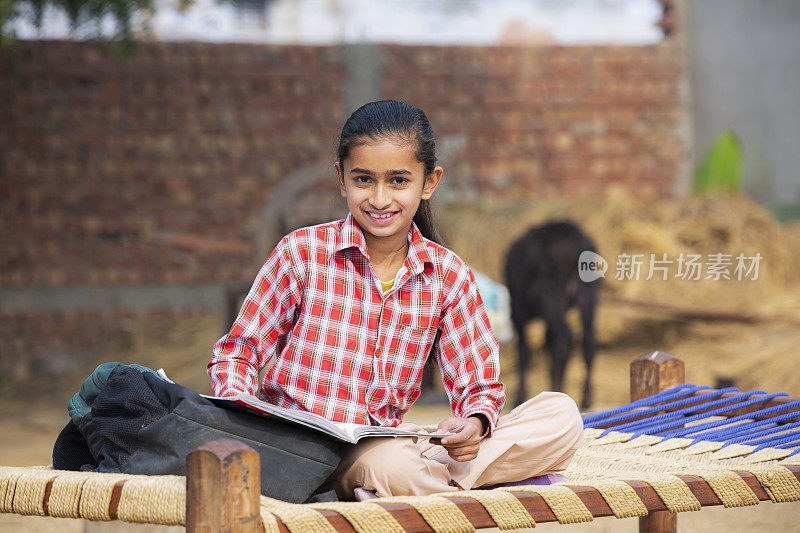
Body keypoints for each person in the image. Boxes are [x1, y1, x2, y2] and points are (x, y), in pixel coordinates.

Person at [207, 99, 583, 499]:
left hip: (381, 444)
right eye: (364, 180)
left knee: (561, 417)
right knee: (398, 468)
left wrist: (473, 425)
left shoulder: (447, 274)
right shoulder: (301, 253)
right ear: (341, 178)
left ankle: (407, 484)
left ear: (429, 182)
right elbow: (236, 356)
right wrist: (246, 419)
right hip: (294, 446)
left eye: (399, 181)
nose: (380, 199)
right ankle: (440, 483)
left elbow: (479, 385)